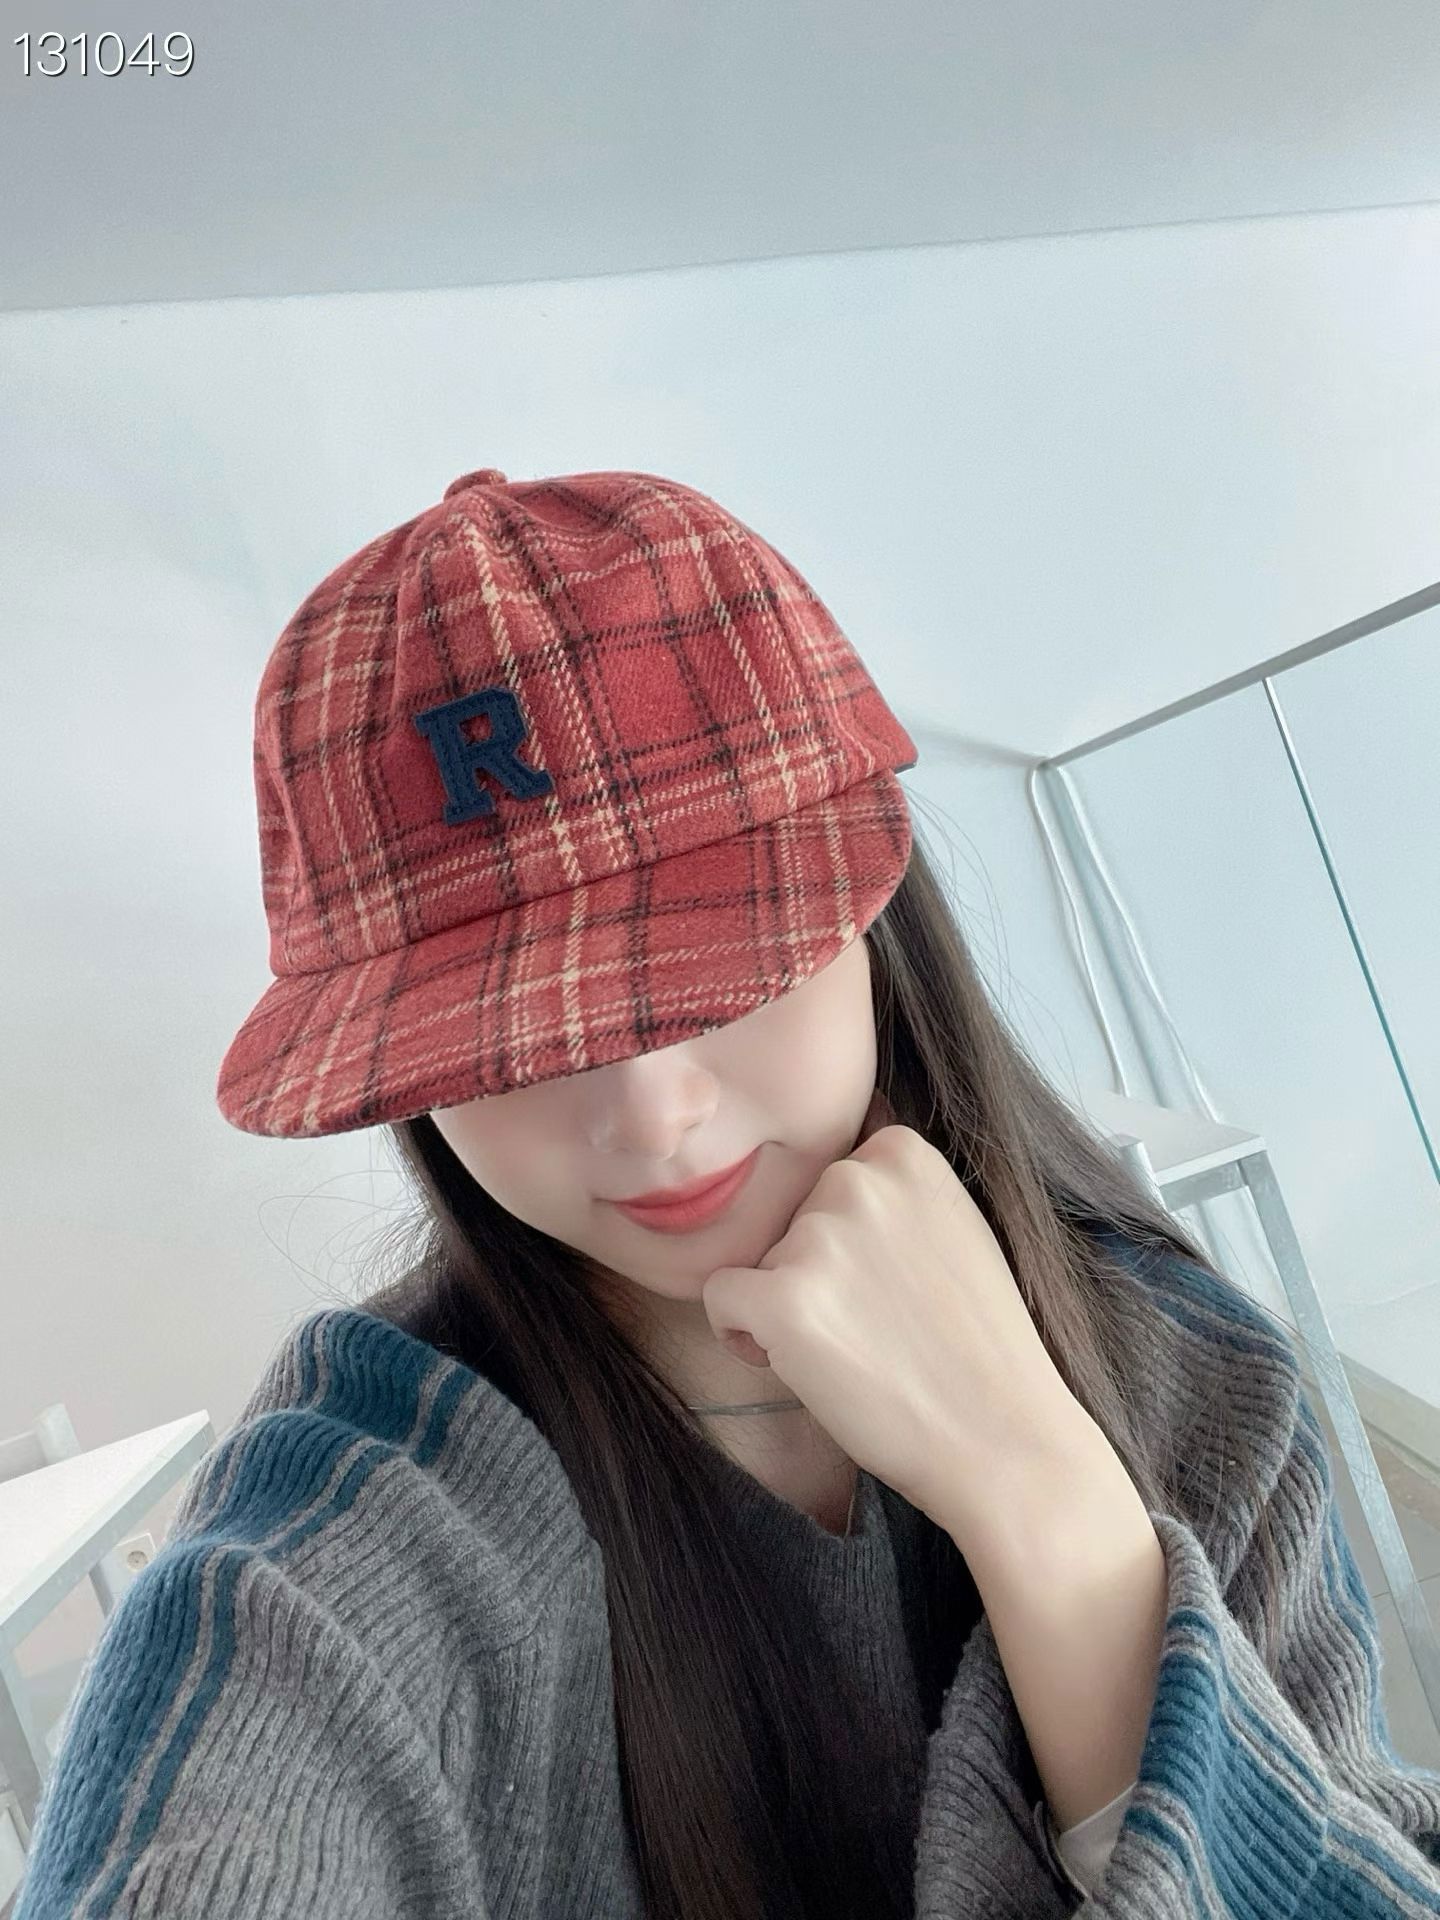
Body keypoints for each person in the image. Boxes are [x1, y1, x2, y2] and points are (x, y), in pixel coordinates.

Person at [14, 466, 1440, 1920]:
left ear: (873, 919)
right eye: (511, 1037)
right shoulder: (350, 1521)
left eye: (716, 961)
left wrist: (1053, 1510)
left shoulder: (1195, 1374)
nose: (651, 1116)